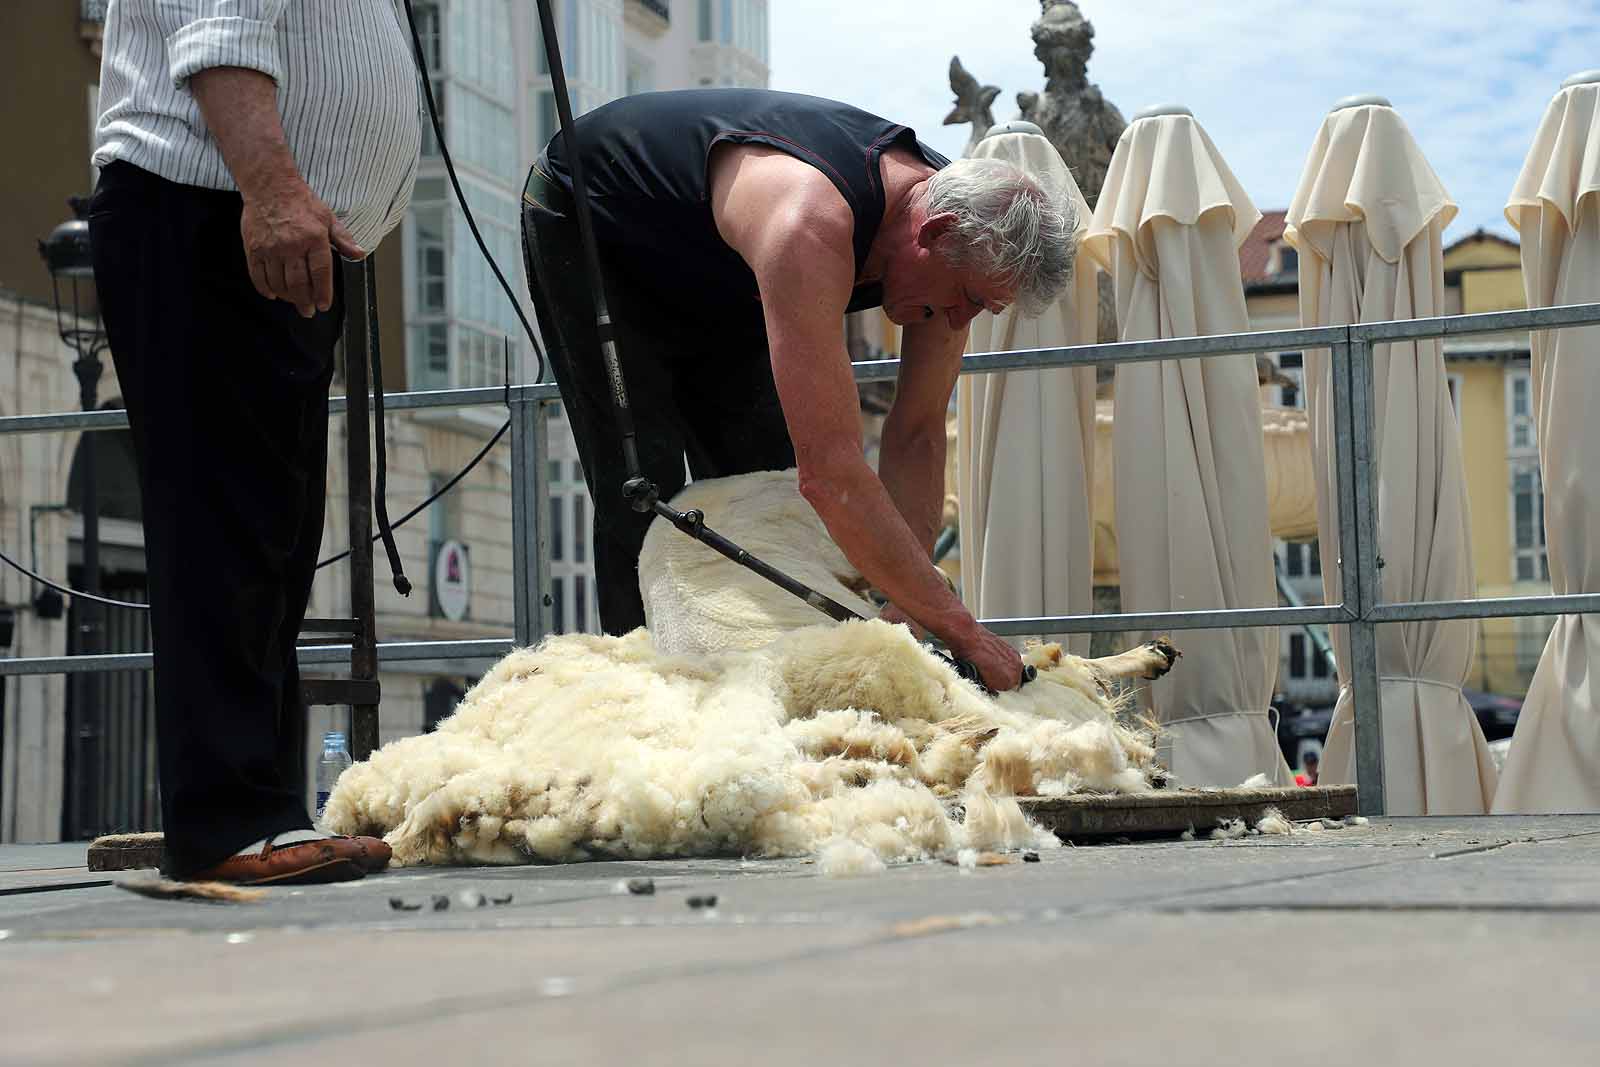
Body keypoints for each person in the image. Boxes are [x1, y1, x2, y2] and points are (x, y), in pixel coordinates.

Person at [521, 89, 1075, 693]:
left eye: (983, 310)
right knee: (643, 492)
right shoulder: (809, 222)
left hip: (725, 270)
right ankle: (640, 709)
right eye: (967, 299)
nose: (961, 322)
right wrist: (964, 631)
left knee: (770, 492)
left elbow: (917, 434)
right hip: (602, 227)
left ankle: (771, 699)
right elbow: (833, 473)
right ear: (932, 234)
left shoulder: (955, 243)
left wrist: (909, 605)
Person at [87, 1, 420, 884]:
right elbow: (216, 23)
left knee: (268, 537)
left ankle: (260, 812)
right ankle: (228, 815)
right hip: (214, 205)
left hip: (271, 220)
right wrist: (272, 190)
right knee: (224, 526)